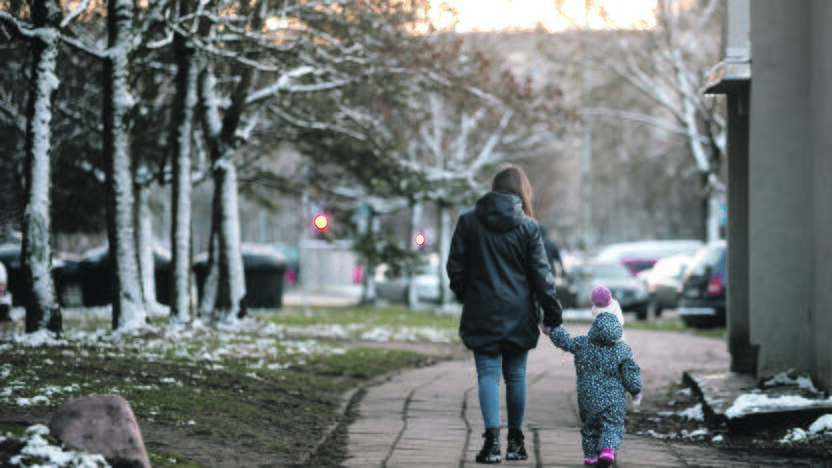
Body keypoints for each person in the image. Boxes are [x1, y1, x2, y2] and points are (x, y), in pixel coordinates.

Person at [446, 163, 563, 464]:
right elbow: (541, 276)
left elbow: (455, 267)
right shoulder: (528, 227)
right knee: (516, 376)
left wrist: (467, 294)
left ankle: (491, 444)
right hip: (518, 313)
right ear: (522, 190)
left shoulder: (469, 221)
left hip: (481, 309)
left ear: (494, 187)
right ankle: (516, 443)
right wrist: (551, 312)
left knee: (487, 374)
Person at [543, 311, 642, 467]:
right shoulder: (623, 350)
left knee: (590, 427)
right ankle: (607, 450)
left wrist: (553, 331)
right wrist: (636, 390)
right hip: (613, 400)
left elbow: (566, 342)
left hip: (588, 398)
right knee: (613, 425)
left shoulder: (583, 343)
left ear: (594, 328)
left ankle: (590, 456)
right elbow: (630, 372)